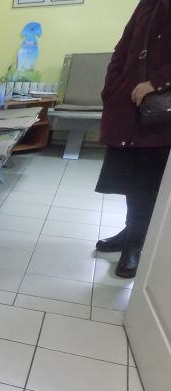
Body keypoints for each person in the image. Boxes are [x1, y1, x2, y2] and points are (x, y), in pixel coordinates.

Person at [95, 0, 171, 278]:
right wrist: (111, 87)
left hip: (158, 110)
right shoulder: (147, 3)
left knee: (148, 183)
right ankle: (130, 231)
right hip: (127, 107)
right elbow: (124, 47)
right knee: (131, 179)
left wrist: (157, 83)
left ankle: (136, 244)